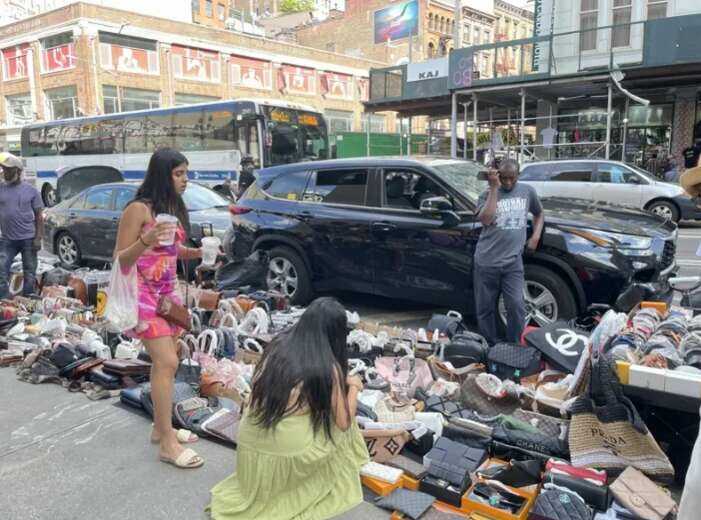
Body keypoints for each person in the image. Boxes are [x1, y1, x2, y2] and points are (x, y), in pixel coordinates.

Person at [208, 297, 369, 519]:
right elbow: (343, 422)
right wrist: (354, 388)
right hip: (286, 454)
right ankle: (335, 474)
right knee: (341, 418)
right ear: (336, 333)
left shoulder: (277, 345)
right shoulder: (328, 366)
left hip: (249, 442)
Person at [114, 148, 205, 469]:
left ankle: (160, 427)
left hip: (169, 296)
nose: (185, 180)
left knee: (167, 361)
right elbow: (121, 259)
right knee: (166, 361)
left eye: (186, 173)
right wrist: (146, 240)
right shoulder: (138, 210)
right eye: (178, 174)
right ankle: (167, 443)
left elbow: (171, 249)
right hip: (142, 298)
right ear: (161, 174)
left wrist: (195, 254)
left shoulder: (170, 208)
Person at [475, 159, 544, 345]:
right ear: (497, 176)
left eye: (511, 178)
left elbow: (539, 213)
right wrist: (494, 189)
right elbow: (487, 219)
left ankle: (515, 346)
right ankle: (489, 346)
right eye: (503, 178)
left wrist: (535, 236)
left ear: (518, 176)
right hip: (487, 262)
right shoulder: (486, 194)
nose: (507, 183)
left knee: (516, 306)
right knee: (485, 308)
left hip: (513, 262)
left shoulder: (527, 191)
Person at [0, 153, 43, 299]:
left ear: (18, 172)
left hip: (28, 240)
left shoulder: (31, 191)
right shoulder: (1, 188)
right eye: (3, 170)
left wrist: (38, 238)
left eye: (9, 170)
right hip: (7, 240)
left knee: (29, 274)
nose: (5, 173)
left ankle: (27, 303)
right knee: (1, 271)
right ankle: (4, 303)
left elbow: (39, 216)